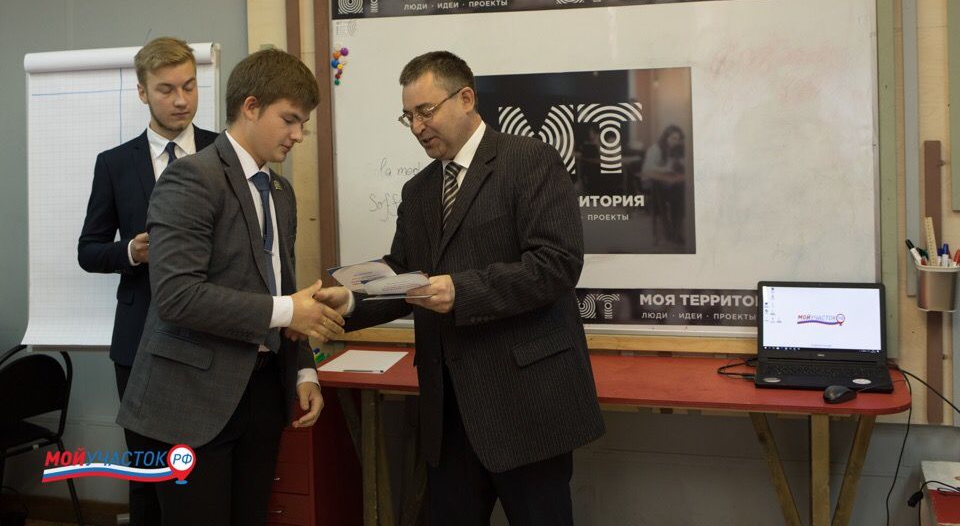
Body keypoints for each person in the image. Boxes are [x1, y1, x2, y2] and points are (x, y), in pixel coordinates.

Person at [317, 51, 605, 525]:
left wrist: (461, 292)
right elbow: (403, 272)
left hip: (525, 407)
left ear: (466, 98)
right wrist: (349, 300)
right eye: (408, 117)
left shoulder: (529, 160)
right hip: (448, 414)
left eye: (425, 111)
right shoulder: (418, 191)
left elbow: (556, 264)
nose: (417, 127)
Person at [117, 49, 345, 526]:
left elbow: (285, 291)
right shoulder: (191, 178)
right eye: (290, 120)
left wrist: (304, 372)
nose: (297, 135)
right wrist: (288, 311)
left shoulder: (280, 192)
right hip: (190, 401)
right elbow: (178, 296)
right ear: (251, 106)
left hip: (261, 393)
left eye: (303, 124)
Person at [77, 37, 217, 526]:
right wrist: (131, 252)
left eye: (189, 87)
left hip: (211, 339)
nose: (181, 100)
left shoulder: (224, 151)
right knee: (149, 476)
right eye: (166, 90)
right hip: (139, 343)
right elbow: (88, 250)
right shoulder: (115, 164)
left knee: (203, 475)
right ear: (142, 93)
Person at [642, 124, 687, 244]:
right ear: (666, 137)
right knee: (677, 195)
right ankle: (671, 231)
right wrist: (666, 169)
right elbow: (648, 169)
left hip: (668, 182)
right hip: (651, 183)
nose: (675, 141)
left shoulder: (676, 149)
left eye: (678, 139)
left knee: (681, 192)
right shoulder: (655, 149)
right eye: (673, 138)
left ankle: (676, 230)